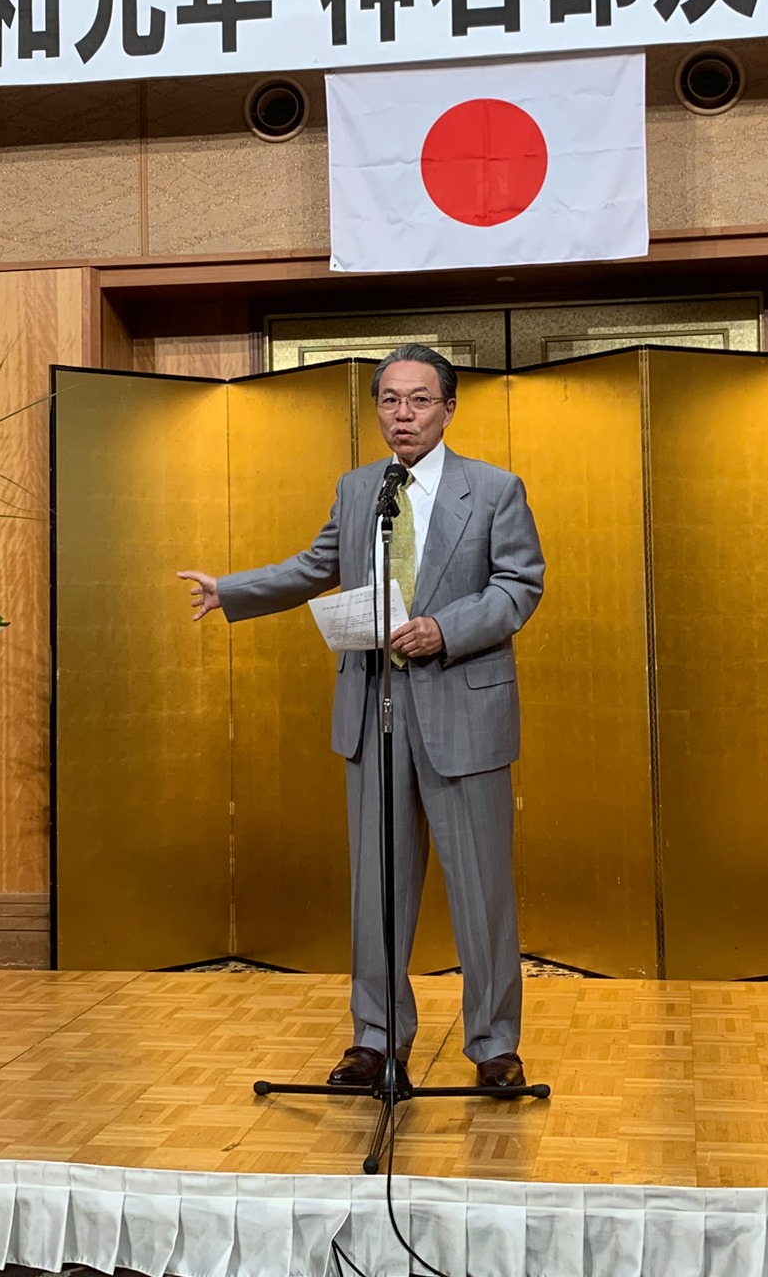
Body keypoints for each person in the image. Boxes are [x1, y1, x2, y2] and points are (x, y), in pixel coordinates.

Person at [177, 344, 545, 1088]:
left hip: (463, 709)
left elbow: (519, 585)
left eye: (419, 400)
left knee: (482, 891)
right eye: (389, 401)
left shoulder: (494, 489)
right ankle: (375, 1039)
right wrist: (233, 591)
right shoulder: (357, 489)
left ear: (448, 408)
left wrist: (445, 629)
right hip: (373, 708)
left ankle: (493, 1046)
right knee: (378, 887)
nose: (403, 415)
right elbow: (317, 566)